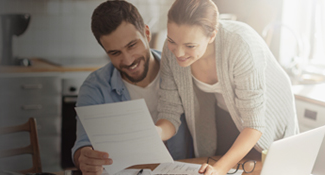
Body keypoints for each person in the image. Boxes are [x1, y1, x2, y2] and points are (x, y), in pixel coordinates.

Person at [158, 0, 300, 174]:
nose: (178, 53)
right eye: (172, 41)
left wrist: (219, 169)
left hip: (267, 112)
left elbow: (254, 125)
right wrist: (153, 133)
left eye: (190, 46)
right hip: (225, 108)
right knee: (219, 157)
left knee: (262, 166)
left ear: (212, 36)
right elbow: (169, 111)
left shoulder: (240, 45)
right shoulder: (170, 51)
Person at [70, 1, 195, 175]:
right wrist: (84, 157)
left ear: (147, 33)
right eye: (115, 53)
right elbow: (83, 145)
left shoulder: (180, 70)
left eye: (132, 45)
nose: (128, 60)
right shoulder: (95, 87)